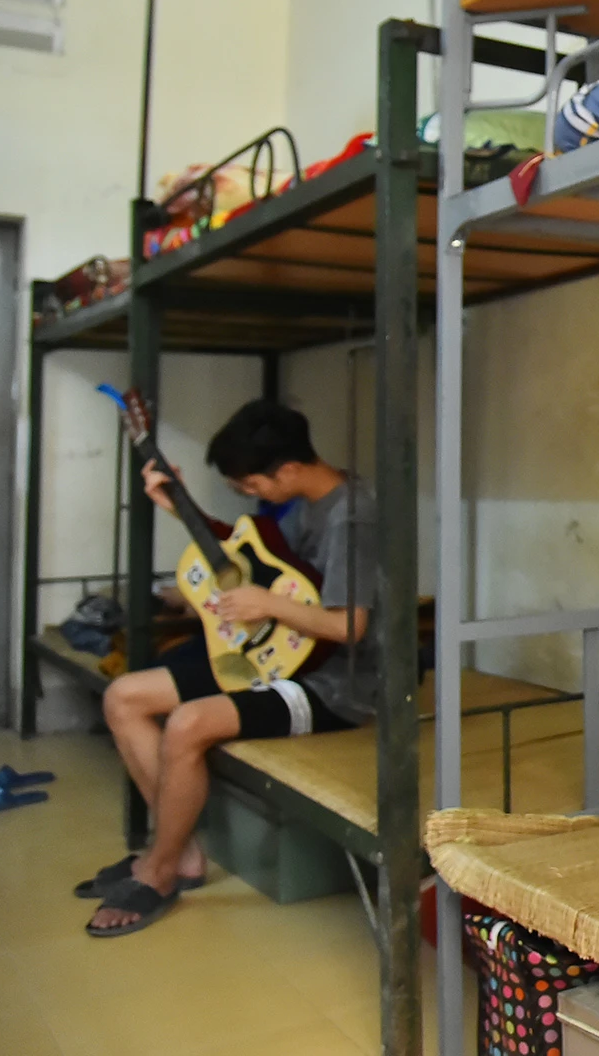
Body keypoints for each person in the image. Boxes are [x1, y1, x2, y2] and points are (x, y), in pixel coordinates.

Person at [84, 399, 378, 936]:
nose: (248, 493)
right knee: (123, 697)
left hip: (337, 684)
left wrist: (266, 606)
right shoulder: (309, 501)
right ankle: (182, 852)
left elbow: (349, 627)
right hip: (279, 653)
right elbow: (261, 560)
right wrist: (182, 506)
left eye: (250, 484)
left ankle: (160, 868)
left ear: (286, 469)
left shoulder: (353, 515)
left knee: (188, 723)